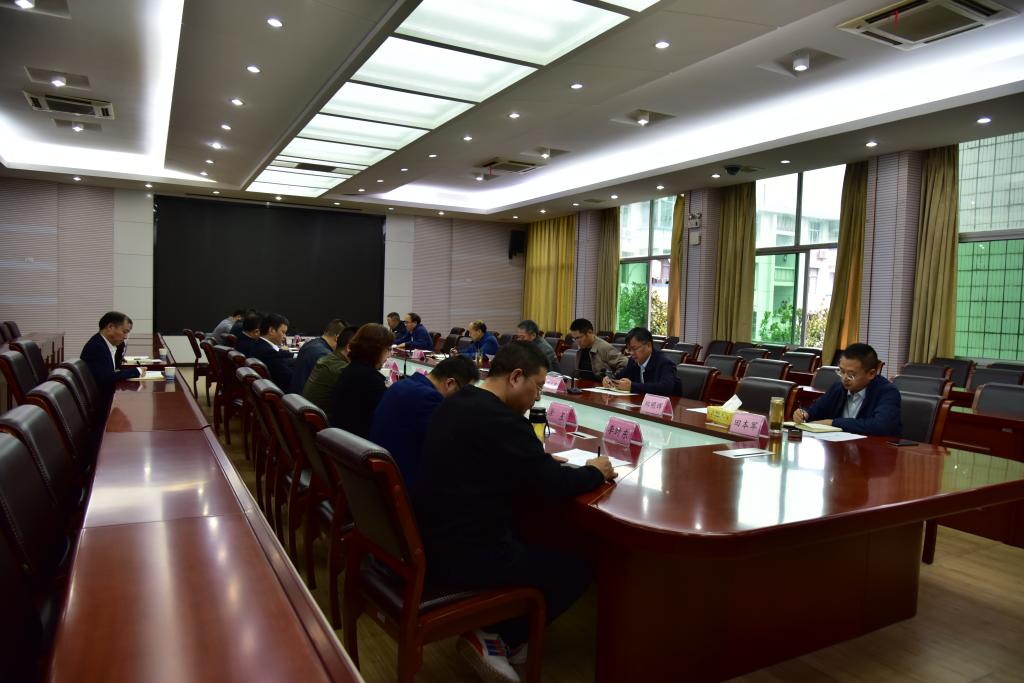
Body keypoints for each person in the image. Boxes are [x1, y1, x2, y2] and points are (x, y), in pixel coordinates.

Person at [414, 342, 616, 682]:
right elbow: (552, 485)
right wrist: (596, 472)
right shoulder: (503, 421)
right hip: (467, 553)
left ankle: (508, 630)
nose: (537, 398)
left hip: (433, 537)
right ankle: (498, 637)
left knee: (538, 532)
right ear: (516, 377)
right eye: (537, 387)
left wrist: (533, 462)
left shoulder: (459, 401)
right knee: (580, 565)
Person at [369, 356, 479, 491]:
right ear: (450, 383)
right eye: (464, 393)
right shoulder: (430, 400)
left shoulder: (400, 385)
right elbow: (451, 449)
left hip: (378, 479)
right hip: (401, 486)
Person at [794, 343, 901, 436]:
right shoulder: (838, 388)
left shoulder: (887, 392)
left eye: (851, 374)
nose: (844, 378)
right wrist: (805, 413)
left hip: (872, 449)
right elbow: (817, 409)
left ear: (871, 374)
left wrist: (833, 423)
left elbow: (881, 425)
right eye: (841, 371)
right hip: (839, 446)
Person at [330, 323, 394, 437]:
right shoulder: (371, 379)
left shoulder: (350, 370)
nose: (389, 355)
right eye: (387, 349)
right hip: (359, 443)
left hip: (342, 439)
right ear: (375, 350)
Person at [80, 311, 143, 410]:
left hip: (103, 398)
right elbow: (107, 378)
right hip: (100, 405)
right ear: (110, 327)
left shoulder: (104, 343)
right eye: (124, 332)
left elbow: (111, 371)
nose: (125, 337)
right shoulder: (97, 347)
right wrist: (137, 371)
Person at [602, 327, 680, 396]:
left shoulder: (664, 363)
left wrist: (632, 387)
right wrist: (609, 380)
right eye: (629, 349)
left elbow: (665, 387)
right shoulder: (633, 361)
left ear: (649, 345)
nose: (631, 353)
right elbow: (619, 377)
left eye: (635, 349)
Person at [303, 325, 359, 419]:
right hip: (324, 424)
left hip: (310, 420)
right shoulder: (342, 369)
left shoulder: (328, 359)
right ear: (349, 347)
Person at [289, 318, 347, 394]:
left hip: (295, 397)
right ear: (338, 338)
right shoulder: (325, 355)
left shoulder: (309, 344)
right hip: (306, 398)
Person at [250, 313, 294, 389]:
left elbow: (282, 359)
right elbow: (290, 378)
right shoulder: (269, 353)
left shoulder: (258, 345)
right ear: (271, 330)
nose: (284, 336)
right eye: (283, 332)